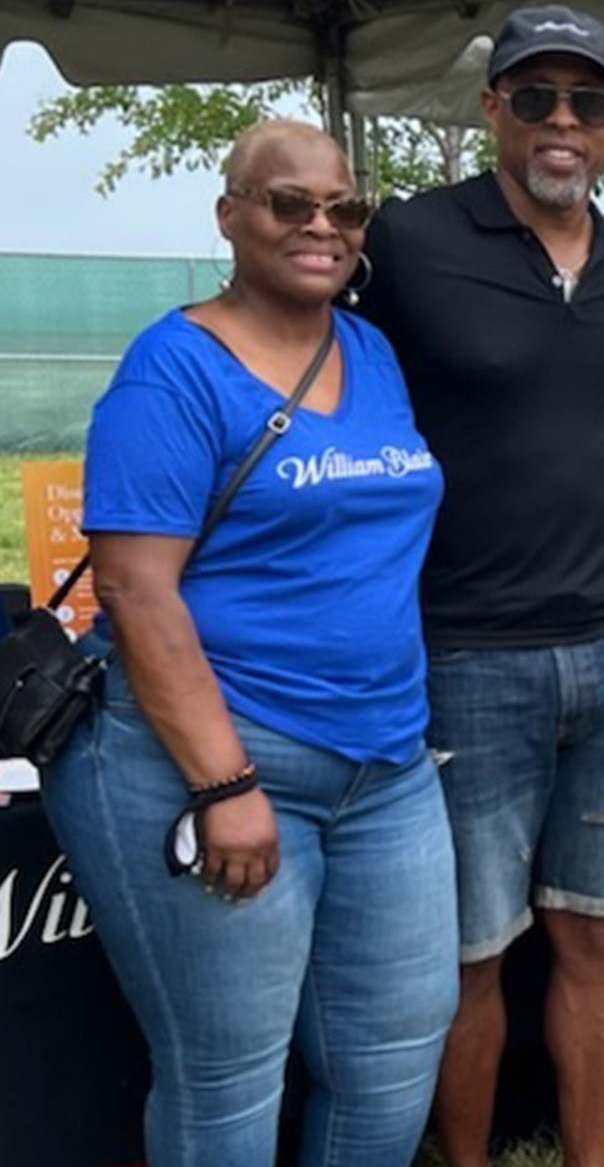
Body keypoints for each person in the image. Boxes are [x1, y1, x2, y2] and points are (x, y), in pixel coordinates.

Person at [44, 120, 455, 1166]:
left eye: (344, 207)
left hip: (387, 767)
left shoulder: (367, 349)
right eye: (287, 202)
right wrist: (224, 786)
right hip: (211, 762)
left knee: (395, 1055)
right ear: (231, 214)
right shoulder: (171, 369)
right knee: (228, 1076)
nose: (320, 224)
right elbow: (138, 589)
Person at [355, 5, 604, 1167]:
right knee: (467, 947)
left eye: (585, 101)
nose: (561, 121)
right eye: (534, 96)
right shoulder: (411, 240)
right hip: (466, 649)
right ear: (491, 109)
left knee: (599, 939)